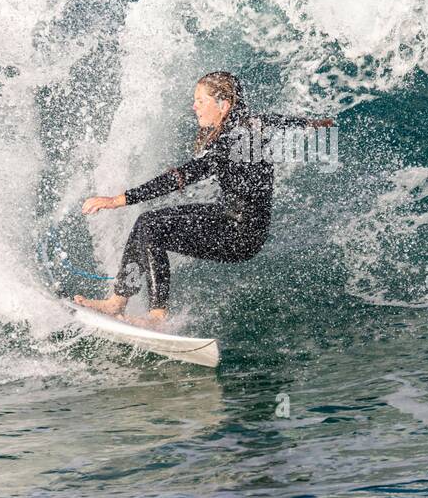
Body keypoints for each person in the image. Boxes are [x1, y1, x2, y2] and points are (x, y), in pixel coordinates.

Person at [75, 71, 334, 323]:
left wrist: (117, 200)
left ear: (223, 105)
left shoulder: (231, 142)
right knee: (146, 222)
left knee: (153, 228)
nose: (194, 106)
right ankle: (117, 302)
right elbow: (279, 120)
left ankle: (157, 316)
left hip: (239, 235)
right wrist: (314, 123)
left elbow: (184, 175)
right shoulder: (251, 125)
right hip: (230, 217)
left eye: (201, 100)